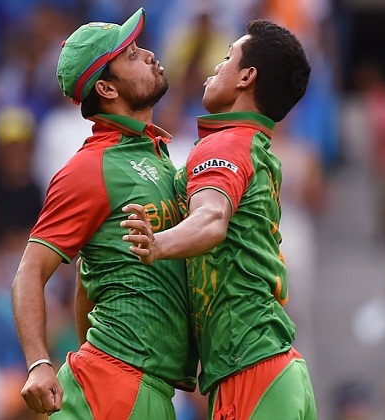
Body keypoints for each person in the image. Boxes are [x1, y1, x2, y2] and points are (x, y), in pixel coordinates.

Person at [122, 19, 317, 419]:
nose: (216, 66)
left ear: (247, 77)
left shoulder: (226, 143)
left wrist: (159, 243)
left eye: (227, 58)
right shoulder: (255, 146)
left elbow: (212, 219)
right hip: (268, 368)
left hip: (252, 368)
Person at [11, 8, 197, 419]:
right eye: (131, 55)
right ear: (108, 90)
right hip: (117, 386)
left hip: (138, 388)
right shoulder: (88, 168)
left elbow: (86, 277)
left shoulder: (157, 156)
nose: (148, 55)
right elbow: (29, 271)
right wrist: (40, 362)